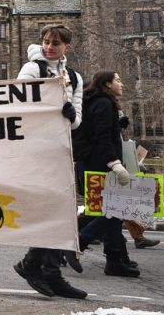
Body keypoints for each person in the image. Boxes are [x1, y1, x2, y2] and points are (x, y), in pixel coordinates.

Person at [12, 25, 87, 299]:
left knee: (64, 210)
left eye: (55, 43)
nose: (49, 47)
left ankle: (49, 272)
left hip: (61, 148)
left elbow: (77, 122)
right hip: (37, 147)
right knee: (52, 208)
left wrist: (68, 114)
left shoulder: (75, 78)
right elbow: (18, 102)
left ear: (67, 46)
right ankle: (33, 264)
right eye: (46, 42)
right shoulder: (32, 69)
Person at [76, 71, 140, 278]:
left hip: (96, 161)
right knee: (113, 211)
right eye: (118, 80)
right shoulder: (103, 104)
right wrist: (115, 164)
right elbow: (102, 137)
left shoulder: (99, 102)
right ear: (107, 83)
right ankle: (80, 241)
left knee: (112, 211)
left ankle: (114, 259)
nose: (122, 84)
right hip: (100, 164)